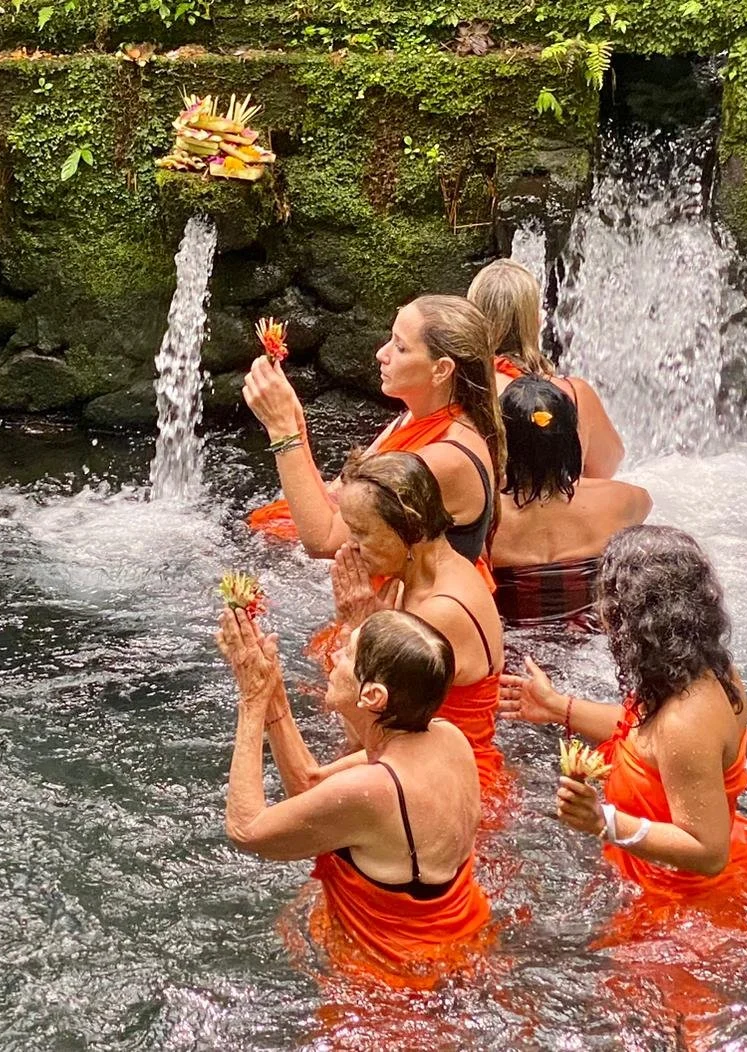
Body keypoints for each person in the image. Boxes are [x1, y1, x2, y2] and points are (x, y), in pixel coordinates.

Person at [498, 525, 747, 900]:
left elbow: (708, 851)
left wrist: (604, 822)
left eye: (606, 602)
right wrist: (558, 707)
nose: (601, 614)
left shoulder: (686, 721)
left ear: (631, 617)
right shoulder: (697, 670)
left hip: (683, 903)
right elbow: (645, 737)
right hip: (651, 871)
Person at [219, 606, 490, 980]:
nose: (333, 656)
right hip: (460, 951)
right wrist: (274, 696)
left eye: (347, 653)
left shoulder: (374, 791)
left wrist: (250, 703)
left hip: (393, 990)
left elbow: (246, 830)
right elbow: (311, 786)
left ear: (373, 696)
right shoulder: (447, 736)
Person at [242, 295, 502, 568]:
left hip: (425, 609)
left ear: (441, 369)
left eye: (400, 348)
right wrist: (296, 424)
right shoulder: (411, 419)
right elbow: (338, 500)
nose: (382, 354)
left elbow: (325, 540)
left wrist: (282, 431)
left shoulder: (445, 459)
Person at [322, 451, 506, 795]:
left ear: (412, 528)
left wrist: (359, 627)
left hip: (448, 786)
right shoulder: (414, 575)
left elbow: (364, 726)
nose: (350, 545)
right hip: (417, 762)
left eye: (362, 532)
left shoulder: (439, 612)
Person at [489, 376, 652, 629]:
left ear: (503, 441)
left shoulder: (484, 519)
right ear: (571, 441)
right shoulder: (622, 500)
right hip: (591, 645)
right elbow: (646, 504)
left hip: (517, 652)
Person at [467, 259, 624, 479]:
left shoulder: (463, 387)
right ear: (536, 321)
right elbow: (608, 464)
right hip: (558, 508)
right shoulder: (575, 393)